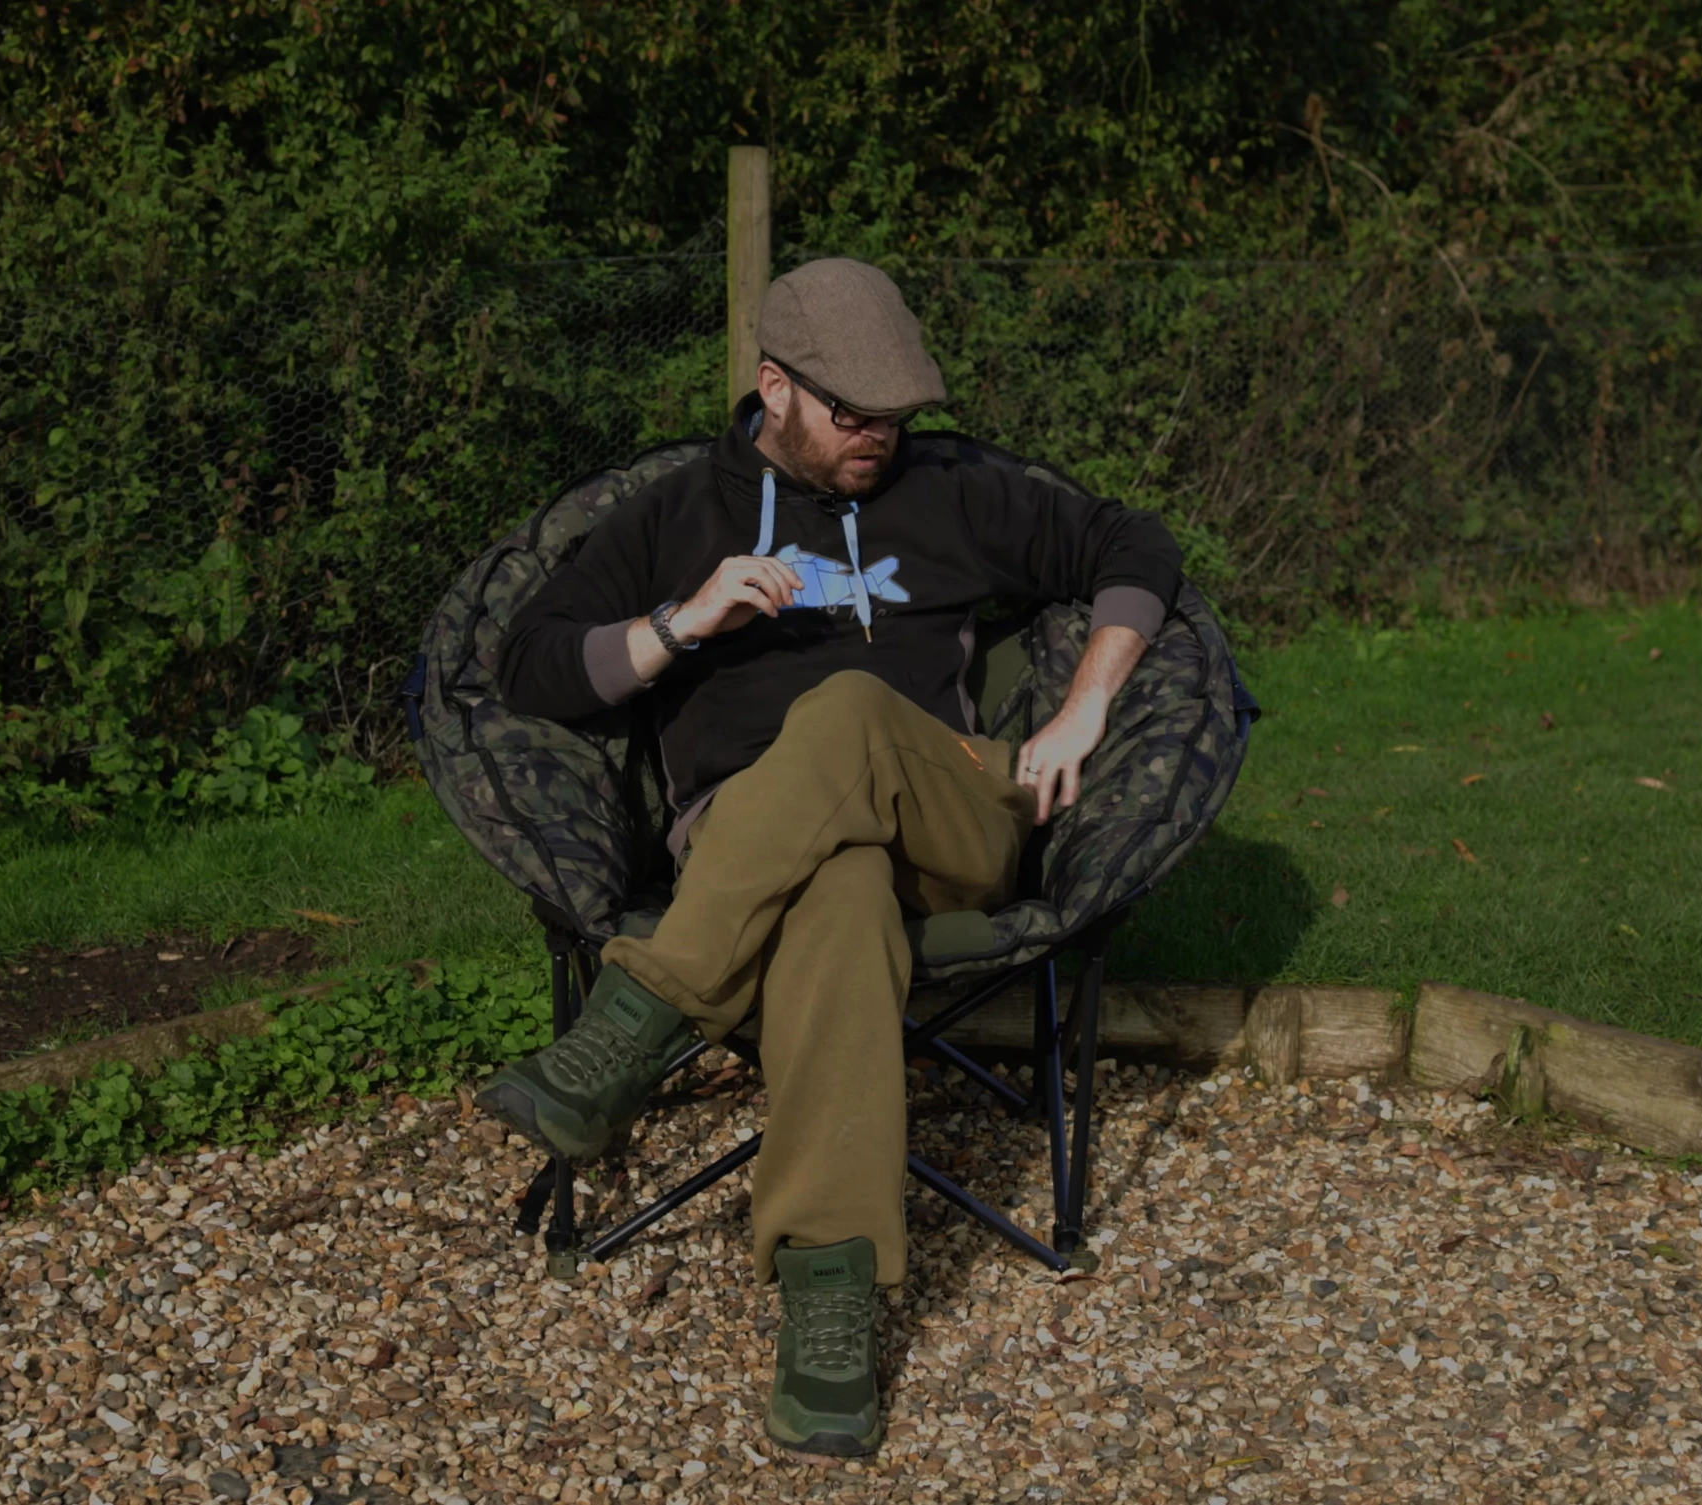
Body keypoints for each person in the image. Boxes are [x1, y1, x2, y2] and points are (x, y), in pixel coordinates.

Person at [475, 257, 1181, 1457]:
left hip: (952, 807)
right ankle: (829, 1302)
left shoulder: (955, 490)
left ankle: (632, 1024)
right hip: (762, 848)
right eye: (855, 416)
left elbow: (1137, 546)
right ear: (773, 387)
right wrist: (680, 624)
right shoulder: (674, 517)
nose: (880, 442)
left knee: (849, 708)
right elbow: (529, 665)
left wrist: (1084, 708)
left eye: (898, 418)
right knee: (834, 895)